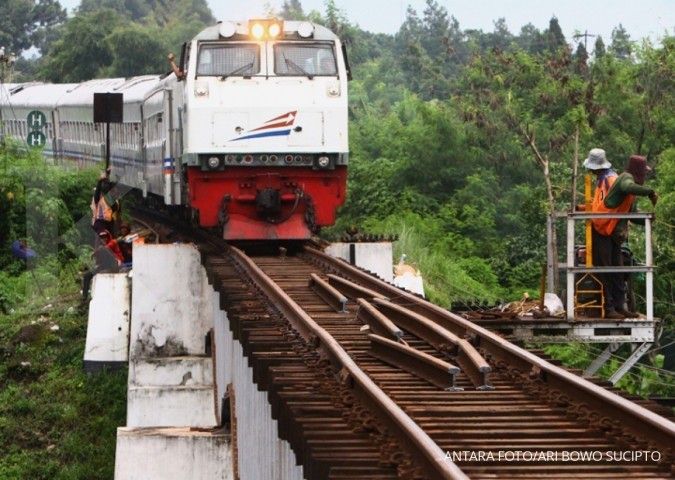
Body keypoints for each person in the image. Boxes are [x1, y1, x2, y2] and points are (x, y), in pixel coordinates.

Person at [584, 149, 658, 318]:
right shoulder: (623, 179)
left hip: (612, 233)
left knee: (617, 270)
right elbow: (623, 189)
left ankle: (620, 306)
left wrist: (647, 219)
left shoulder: (613, 180)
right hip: (601, 229)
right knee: (605, 270)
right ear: (638, 171)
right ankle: (609, 308)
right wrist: (649, 191)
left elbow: (630, 214)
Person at [91, 169, 120, 235]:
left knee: (112, 238)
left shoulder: (114, 201)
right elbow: (98, 192)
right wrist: (100, 180)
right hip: (99, 222)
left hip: (108, 222)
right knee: (102, 236)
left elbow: (115, 208)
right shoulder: (98, 198)